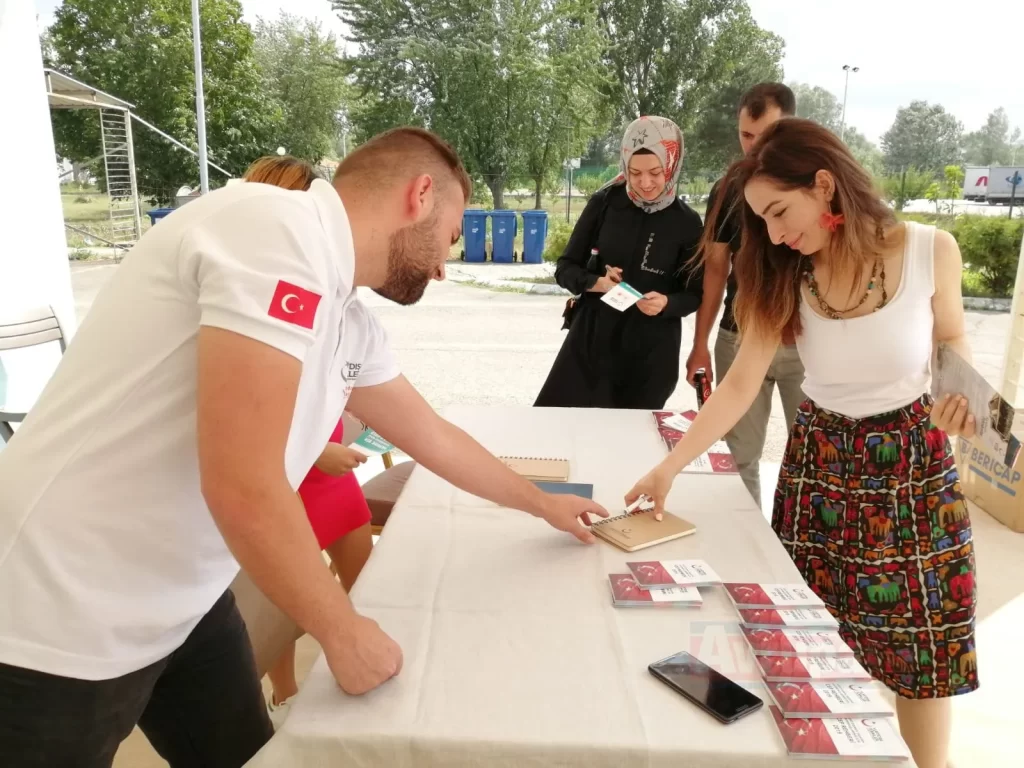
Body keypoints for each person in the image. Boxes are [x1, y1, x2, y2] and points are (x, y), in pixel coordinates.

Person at [0, 127, 607, 768]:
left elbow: (433, 437)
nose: (442, 265)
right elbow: (243, 482)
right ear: (421, 194)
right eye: (451, 236)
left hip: (182, 603)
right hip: (59, 611)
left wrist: (542, 503)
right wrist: (341, 633)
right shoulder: (277, 229)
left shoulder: (347, 314)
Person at [627, 118, 978, 768]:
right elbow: (736, 387)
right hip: (822, 474)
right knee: (818, 652)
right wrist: (669, 466)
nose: (775, 233)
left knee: (922, 652)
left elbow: (951, 337)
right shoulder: (785, 273)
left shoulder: (932, 249)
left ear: (824, 184)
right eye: (761, 220)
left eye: (780, 212)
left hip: (915, 473)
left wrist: (957, 392)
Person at [239, 155, 375, 726]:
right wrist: (318, 450)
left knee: (363, 570)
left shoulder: (331, 298)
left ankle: (360, 636)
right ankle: (287, 690)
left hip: (328, 471)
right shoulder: (250, 296)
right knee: (283, 595)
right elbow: (250, 425)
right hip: (286, 475)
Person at [534, 116, 703, 409]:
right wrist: (596, 282)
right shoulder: (606, 203)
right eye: (635, 173)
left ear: (672, 165)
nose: (645, 183)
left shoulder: (686, 222)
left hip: (650, 354)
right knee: (561, 433)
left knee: (631, 445)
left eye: (655, 172)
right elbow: (565, 267)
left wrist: (666, 303)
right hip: (592, 343)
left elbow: (694, 294)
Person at [685, 83, 799, 506]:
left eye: (765, 135)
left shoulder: (818, 184)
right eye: (745, 136)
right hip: (739, 337)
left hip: (804, 341)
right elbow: (716, 269)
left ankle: (794, 555)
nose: (753, 148)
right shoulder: (728, 189)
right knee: (739, 457)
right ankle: (750, 557)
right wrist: (699, 344)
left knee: (812, 458)